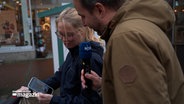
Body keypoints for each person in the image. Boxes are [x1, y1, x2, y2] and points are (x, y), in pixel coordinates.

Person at [73, 0, 184, 104]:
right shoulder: (139, 27)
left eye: (83, 16)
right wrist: (104, 85)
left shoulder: (126, 37)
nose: (84, 23)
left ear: (100, 10)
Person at [16, 7, 103, 104]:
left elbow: (88, 101)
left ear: (82, 31)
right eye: (61, 34)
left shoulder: (89, 59)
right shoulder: (73, 52)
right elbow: (58, 77)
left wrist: (53, 100)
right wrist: (30, 89)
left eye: (69, 35)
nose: (64, 39)